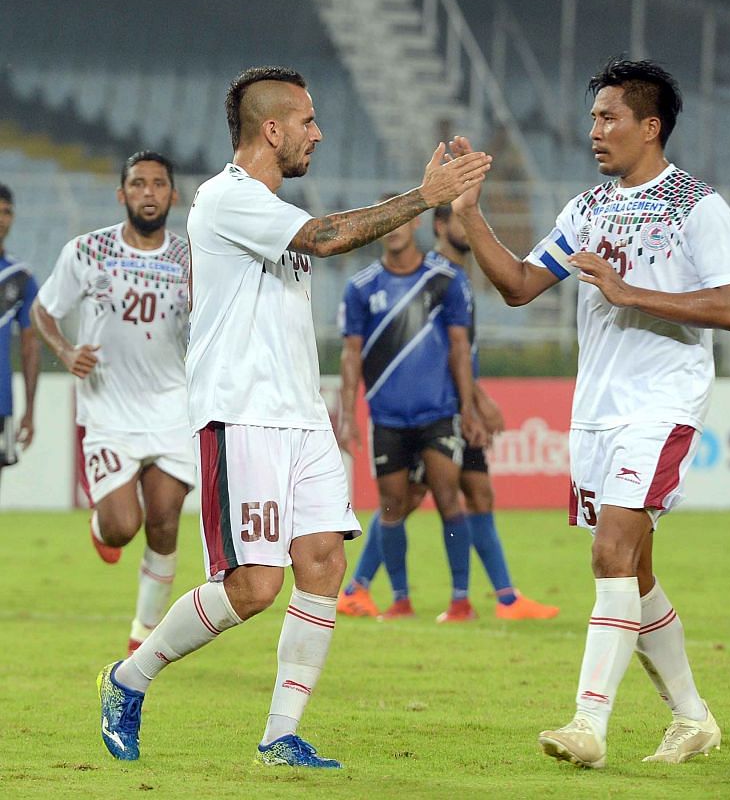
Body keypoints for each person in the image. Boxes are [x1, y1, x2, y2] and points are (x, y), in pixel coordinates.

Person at [94, 66, 492, 768]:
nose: (319, 132)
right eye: (308, 120)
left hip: (300, 415)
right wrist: (424, 198)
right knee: (253, 587)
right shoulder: (226, 198)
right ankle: (129, 678)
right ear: (271, 129)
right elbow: (331, 237)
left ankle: (280, 734)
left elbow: (319, 238)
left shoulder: (273, 210)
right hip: (241, 414)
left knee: (322, 564)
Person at [450, 58, 730, 768]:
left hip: (662, 403)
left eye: (609, 117)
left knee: (608, 552)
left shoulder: (699, 206)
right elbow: (522, 285)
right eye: (592, 118)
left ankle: (589, 724)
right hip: (597, 413)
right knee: (634, 572)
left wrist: (629, 291)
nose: (594, 130)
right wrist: (469, 215)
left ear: (650, 127)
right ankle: (691, 717)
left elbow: (729, 307)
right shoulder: (587, 208)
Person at [337, 203, 559, 622]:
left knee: (467, 494)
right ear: (438, 227)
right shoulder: (434, 277)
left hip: (451, 405)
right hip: (439, 407)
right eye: (462, 220)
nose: (473, 228)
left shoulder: (457, 278)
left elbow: (458, 349)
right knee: (414, 499)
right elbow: (435, 354)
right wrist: (474, 400)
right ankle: (362, 588)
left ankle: (503, 597)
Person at [32, 151, 194, 655]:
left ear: (173, 195)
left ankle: (142, 636)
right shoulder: (86, 251)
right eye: (139, 184)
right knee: (125, 527)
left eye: (159, 184)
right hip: (107, 411)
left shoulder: (192, 258)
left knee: (165, 518)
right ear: (122, 194)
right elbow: (44, 309)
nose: (149, 193)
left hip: (172, 406)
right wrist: (64, 350)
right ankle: (102, 525)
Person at [336, 203, 487, 623]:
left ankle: (461, 599)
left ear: (415, 223)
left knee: (447, 498)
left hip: (437, 412)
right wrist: (347, 416)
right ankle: (399, 598)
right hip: (387, 417)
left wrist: (469, 408)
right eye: (387, 221)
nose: (395, 229)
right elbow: (350, 357)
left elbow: (460, 349)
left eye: (402, 220)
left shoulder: (445, 281)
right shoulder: (361, 287)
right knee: (391, 506)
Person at [0, 184, 40, 491]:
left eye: (7, 212)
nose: (1, 219)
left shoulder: (19, 277)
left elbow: (30, 344)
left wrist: (29, 409)